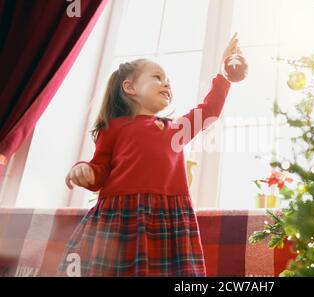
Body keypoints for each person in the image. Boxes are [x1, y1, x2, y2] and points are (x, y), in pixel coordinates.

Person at [58, 33, 241, 277]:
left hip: (169, 219)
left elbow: (209, 111)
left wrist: (223, 74)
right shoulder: (113, 128)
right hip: (121, 218)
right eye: (158, 77)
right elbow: (98, 170)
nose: (167, 84)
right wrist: (84, 169)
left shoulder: (176, 128)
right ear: (130, 87)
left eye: (169, 81)